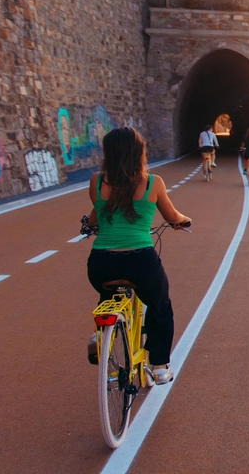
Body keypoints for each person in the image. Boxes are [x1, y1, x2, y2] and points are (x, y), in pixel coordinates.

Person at [85, 127, 190, 385]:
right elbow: (172, 216)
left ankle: (102, 338)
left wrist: (88, 225)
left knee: (107, 296)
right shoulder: (153, 183)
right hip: (141, 262)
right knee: (160, 306)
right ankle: (159, 366)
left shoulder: (97, 181)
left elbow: (94, 217)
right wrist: (184, 221)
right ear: (139, 152)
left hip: (101, 263)